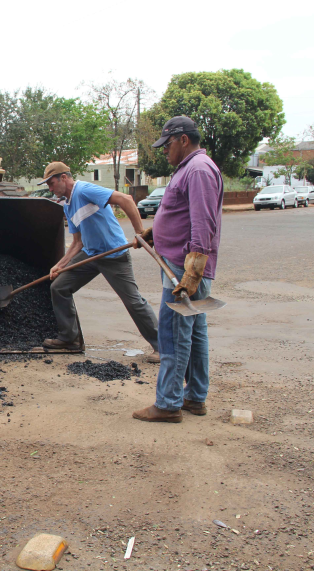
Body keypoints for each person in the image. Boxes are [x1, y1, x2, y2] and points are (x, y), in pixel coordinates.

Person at [133, 116, 223, 423]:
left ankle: (169, 403)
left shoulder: (197, 170)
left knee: (173, 334)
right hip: (182, 265)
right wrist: (154, 233)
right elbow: (183, 214)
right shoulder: (192, 168)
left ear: (183, 139)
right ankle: (194, 398)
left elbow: (202, 223)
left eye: (167, 144)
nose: (164, 151)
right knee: (195, 334)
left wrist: (192, 274)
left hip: (182, 270)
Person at [39, 162, 159, 361]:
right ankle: (70, 338)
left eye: (51, 184)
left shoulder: (84, 190)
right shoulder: (67, 205)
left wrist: (140, 233)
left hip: (113, 255)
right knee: (59, 287)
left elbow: (125, 199)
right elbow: (77, 242)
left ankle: (162, 347)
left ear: (63, 178)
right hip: (91, 255)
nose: (50, 189)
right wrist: (60, 265)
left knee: (133, 301)